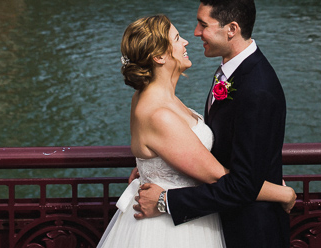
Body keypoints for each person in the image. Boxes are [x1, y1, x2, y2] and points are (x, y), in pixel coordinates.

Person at [98, 14, 294, 247]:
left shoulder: (147, 96)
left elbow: (164, 147)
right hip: (171, 231)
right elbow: (218, 177)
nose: (186, 42)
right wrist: (282, 193)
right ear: (159, 56)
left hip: (187, 216)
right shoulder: (159, 115)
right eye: (177, 38)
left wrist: (151, 165)